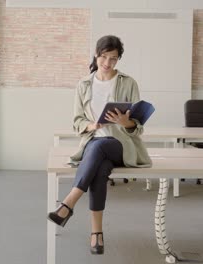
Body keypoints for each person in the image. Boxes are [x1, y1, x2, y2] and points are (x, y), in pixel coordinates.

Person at [47, 35, 152, 255]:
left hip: (121, 145)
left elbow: (139, 125)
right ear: (96, 55)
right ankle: (97, 233)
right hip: (93, 142)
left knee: (101, 147)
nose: (107, 63)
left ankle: (68, 202)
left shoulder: (128, 82)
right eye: (104, 57)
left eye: (113, 59)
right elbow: (77, 121)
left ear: (118, 59)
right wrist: (91, 125)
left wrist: (127, 122)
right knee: (100, 168)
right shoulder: (84, 84)